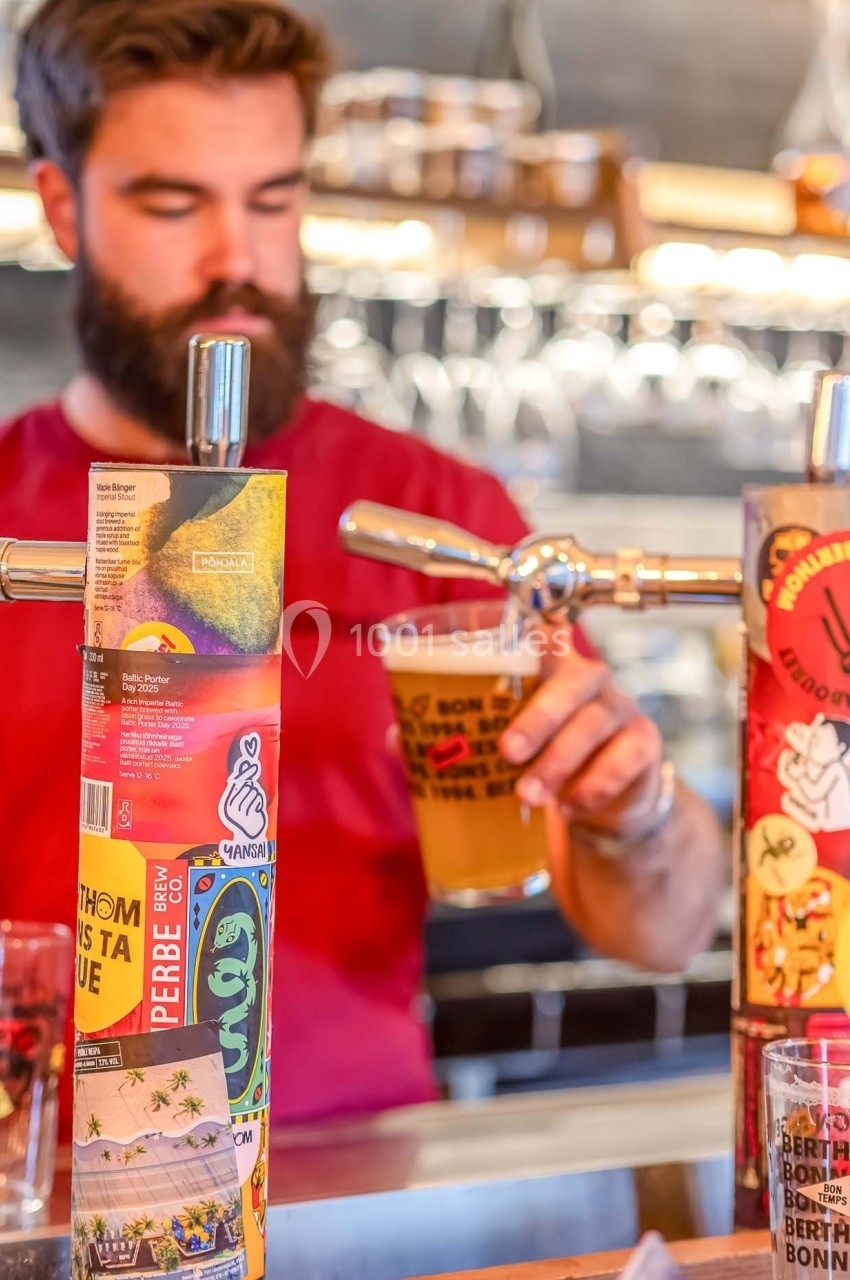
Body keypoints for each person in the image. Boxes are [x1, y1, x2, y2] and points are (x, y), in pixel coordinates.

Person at [0, 0, 725, 1137]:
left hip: (351, 1188)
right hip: (36, 1192)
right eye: (172, 202)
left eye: (274, 199)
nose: (237, 259)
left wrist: (630, 808)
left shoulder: (432, 517)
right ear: (61, 208)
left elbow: (666, 929)